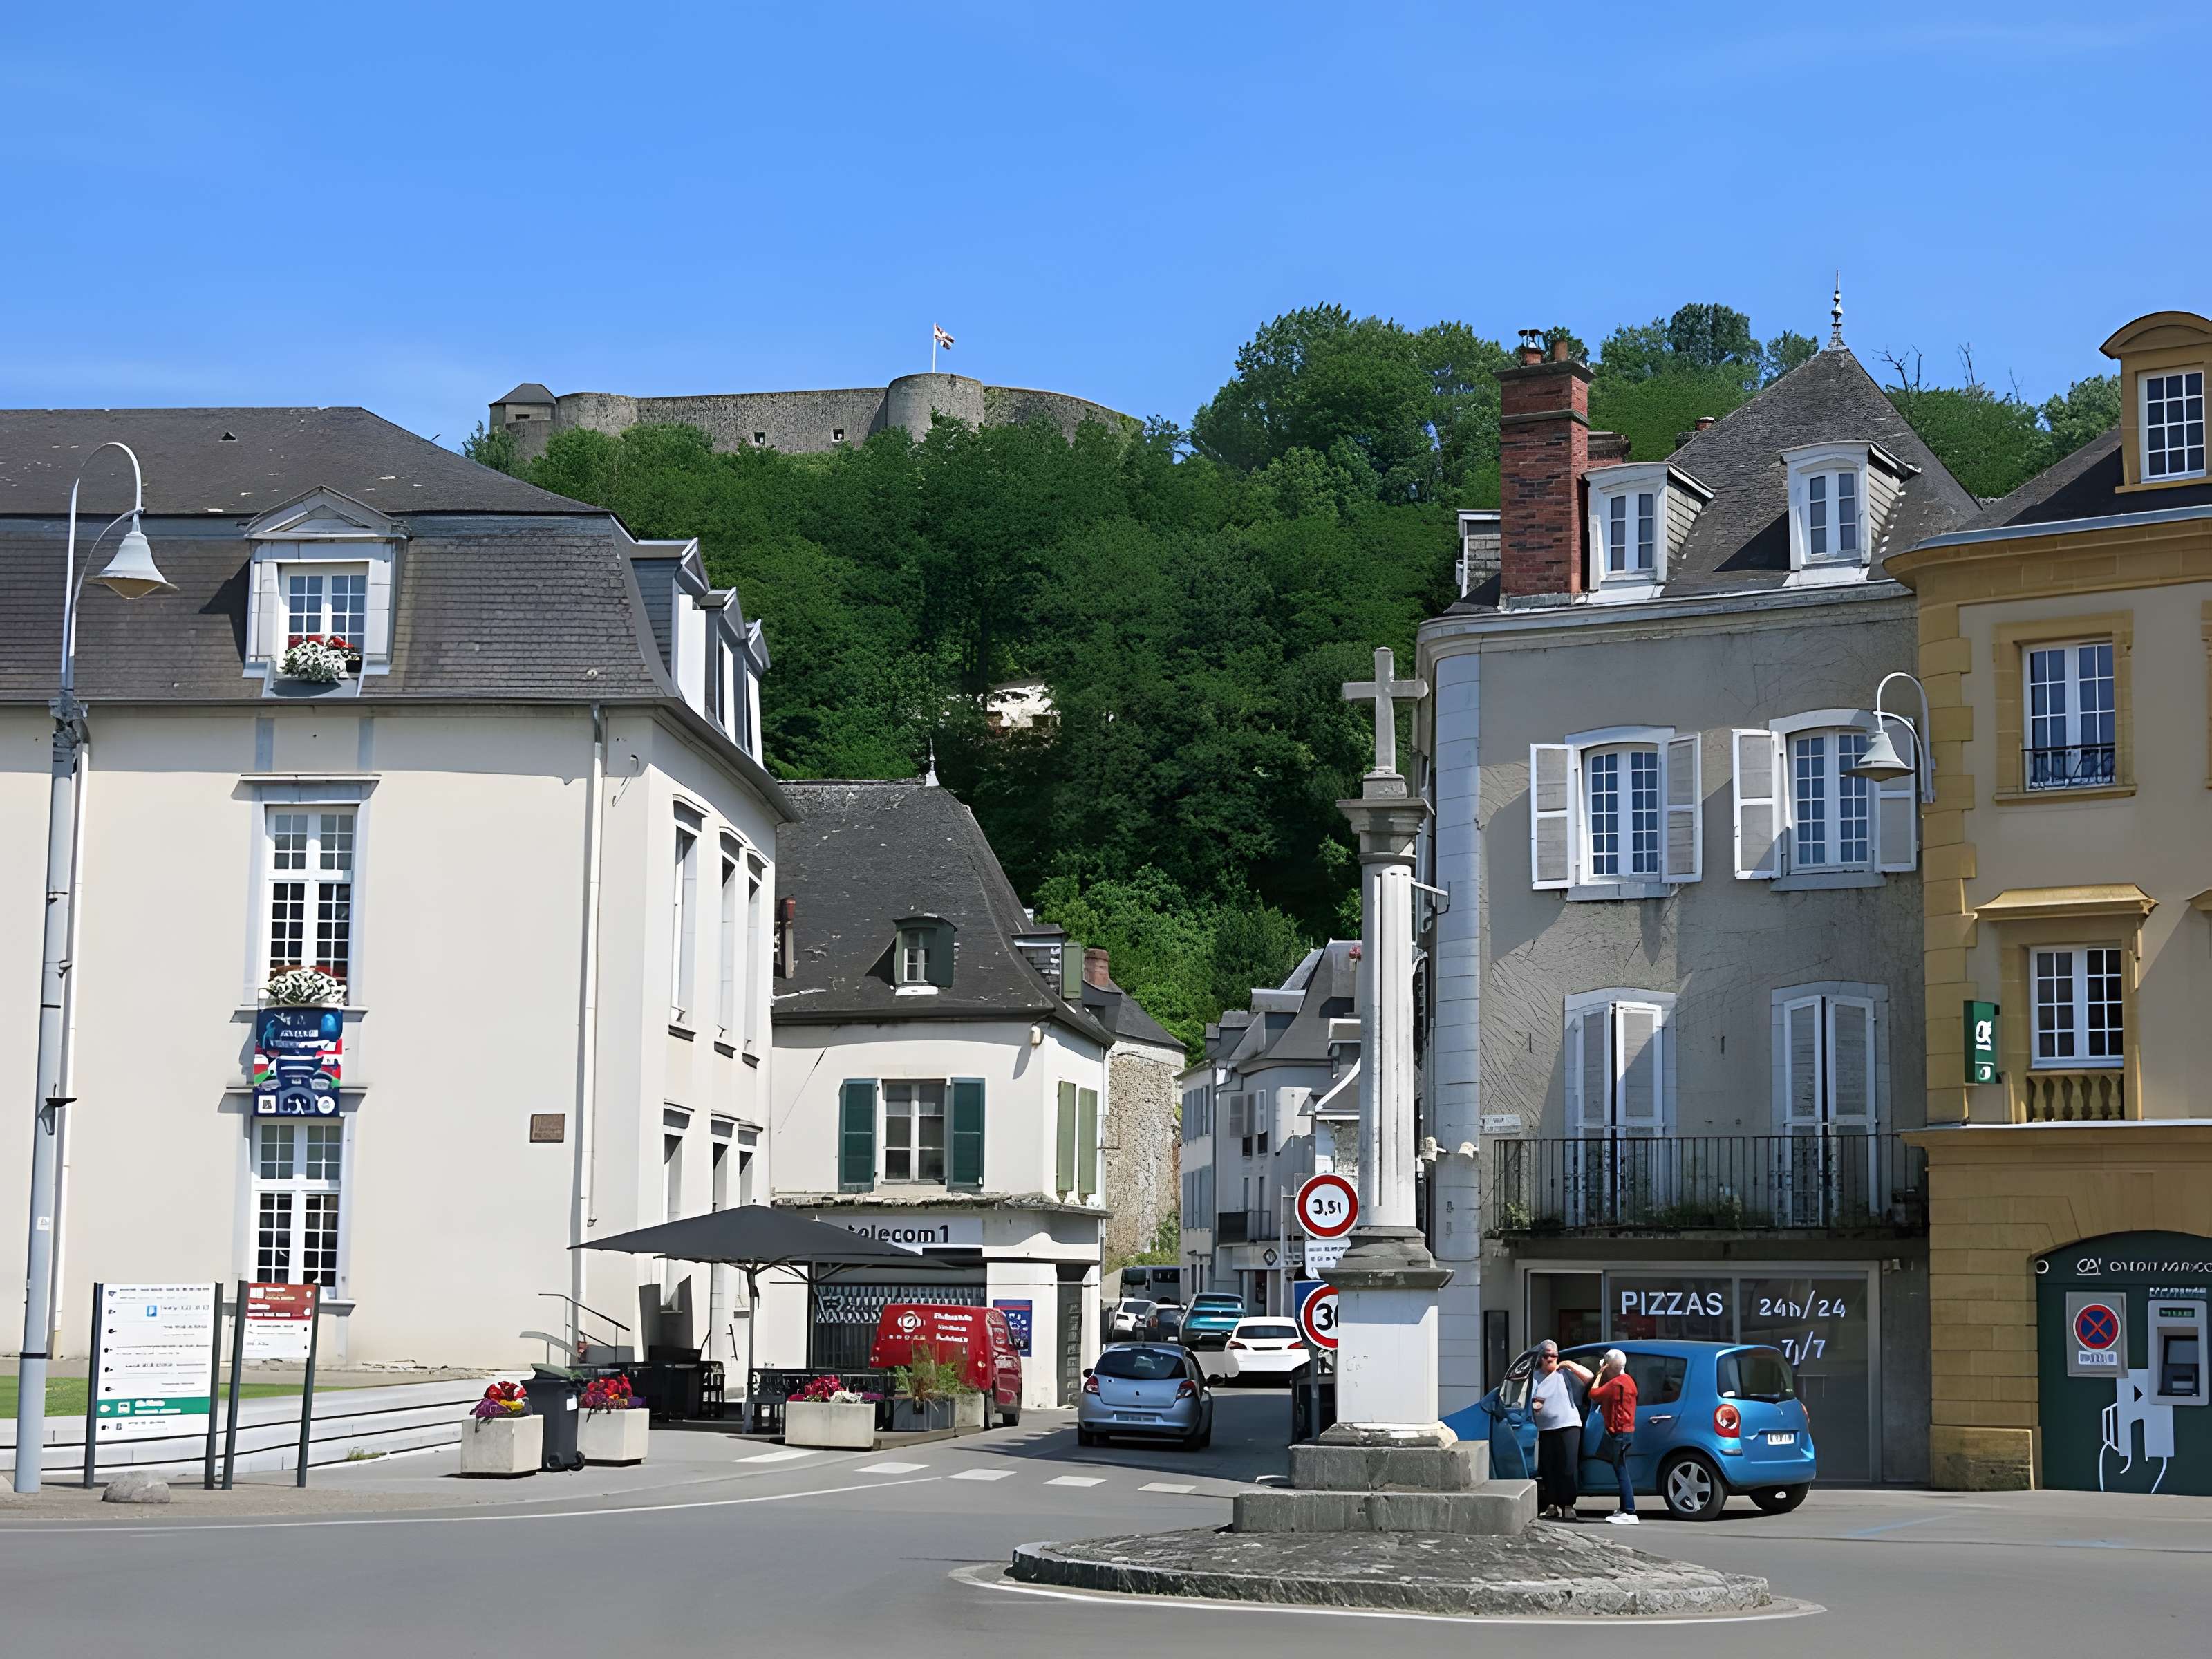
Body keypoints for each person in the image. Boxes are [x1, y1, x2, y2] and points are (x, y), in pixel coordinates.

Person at [1528, 1339, 1593, 1521]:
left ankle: (1568, 1505)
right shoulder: (1535, 1377)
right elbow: (1530, 1399)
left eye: (1554, 1356)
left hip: (1568, 1425)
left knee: (1568, 1467)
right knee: (1548, 1468)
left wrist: (1568, 1363)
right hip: (1545, 1427)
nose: (1551, 1359)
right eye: (1547, 1356)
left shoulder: (1564, 1373)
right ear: (1541, 1357)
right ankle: (1552, 1504)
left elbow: (1589, 1378)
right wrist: (1535, 1405)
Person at [1588, 1349, 1640, 1524]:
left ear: (1608, 1365)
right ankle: (1625, 1508)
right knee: (1621, 1467)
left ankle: (1629, 1511)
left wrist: (1599, 1373)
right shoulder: (1629, 1381)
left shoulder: (1615, 1384)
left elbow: (1593, 1394)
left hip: (1619, 1432)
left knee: (1621, 1470)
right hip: (1627, 1431)